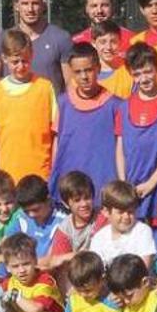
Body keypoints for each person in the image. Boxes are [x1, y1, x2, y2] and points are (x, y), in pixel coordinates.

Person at [115, 42, 157, 221]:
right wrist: (124, 184)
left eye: (147, 71)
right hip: (132, 187)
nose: (143, 78)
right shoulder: (124, 106)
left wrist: (151, 184)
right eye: (137, 74)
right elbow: (120, 149)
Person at [52, 42, 124, 204]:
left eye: (89, 70)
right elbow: (58, 140)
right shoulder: (64, 102)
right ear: (71, 73)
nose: (84, 76)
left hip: (103, 186)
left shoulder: (116, 105)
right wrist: (55, 174)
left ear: (98, 68)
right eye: (78, 72)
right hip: (71, 186)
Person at [0, 29, 58, 182]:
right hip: (10, 170)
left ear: (31, 56)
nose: (20, 66)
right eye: (15, 62)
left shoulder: (45, 87)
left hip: (41, 169)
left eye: (25, 61)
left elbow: (55, 130)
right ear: (4, 58)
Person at [0, 0, 74, 92]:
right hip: (14, 107)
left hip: (50, 107)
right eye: (25, 3)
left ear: (43, 6)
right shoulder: (3, 39)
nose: (30, 9)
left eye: (35, 3)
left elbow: (71, 84)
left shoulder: (61, 38)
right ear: (16, 6)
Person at [59, 252, 125, 312]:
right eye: (78, 290)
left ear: (102, 280)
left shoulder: (113, 302)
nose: (83, 295)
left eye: (88, 290)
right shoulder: (74, 298)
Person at [89, 181, 157, 268]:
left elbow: (144, 268)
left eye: (130, 212)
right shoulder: (99, 238)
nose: (126, 217)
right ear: (106, 212)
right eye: (120, 212)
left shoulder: (142, 231)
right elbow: (96, 271)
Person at [3, 175, 69, 260]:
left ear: (48, 199)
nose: (31, 215)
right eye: (26, 211)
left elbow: (54, 259)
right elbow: (5, 243)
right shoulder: (21, 216)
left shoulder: (64, 220)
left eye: (36, 210)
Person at [47, 171, 101, 274]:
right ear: (67, 204)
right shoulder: (65, 229)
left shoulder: (102, 216)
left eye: (87, 198)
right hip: (79, 274)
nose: (84, 204)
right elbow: (59, 261)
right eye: (77, 200)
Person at [71, 0, 135, 52]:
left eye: (104, 5)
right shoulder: (76, 42)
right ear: (86, 8)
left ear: (112, 6)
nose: (99, 11)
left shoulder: (131, 39)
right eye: (94, 6)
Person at [93, 21, 134, 98]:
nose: (108, 47)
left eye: (113, 42)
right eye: (103, 42)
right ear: (94, 43)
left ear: (120, 42)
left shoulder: (130, 69)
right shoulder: (87, 72)